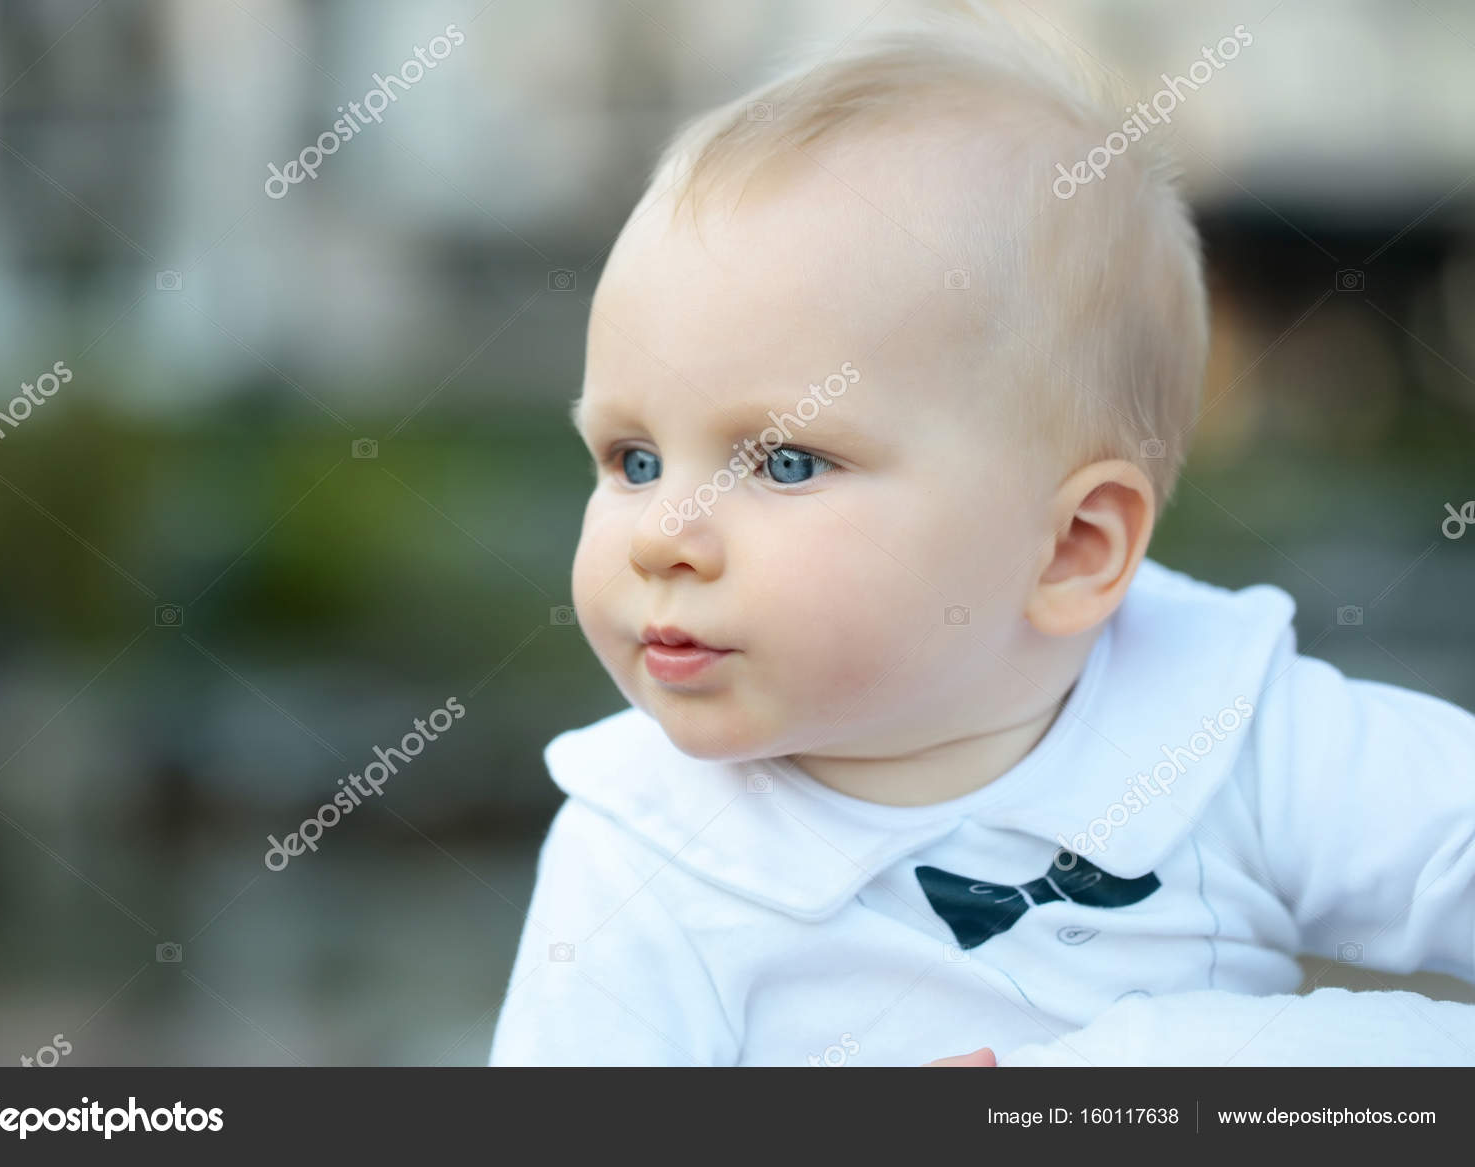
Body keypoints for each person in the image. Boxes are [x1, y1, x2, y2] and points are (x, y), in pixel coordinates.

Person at [488, 5, 1475, 1066]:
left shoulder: (1228, 725)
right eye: (634, 460)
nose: (662, 537)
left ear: (1072, 549)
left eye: (786, 463)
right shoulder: (639, 848)